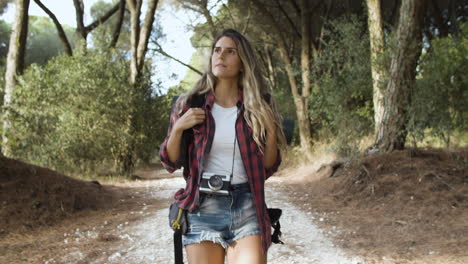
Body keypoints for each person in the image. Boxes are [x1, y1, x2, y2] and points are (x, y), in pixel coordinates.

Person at [160, 28, 286, 264]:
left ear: (242, 63)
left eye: (230, 52)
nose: (220, 57)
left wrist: (270, 130)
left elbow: (269, 165)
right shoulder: (189, 103)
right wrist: (178, 129)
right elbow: (170, 161)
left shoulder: (259, 104)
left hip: (247, 205)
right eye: (217, 51)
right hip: (202, 206)